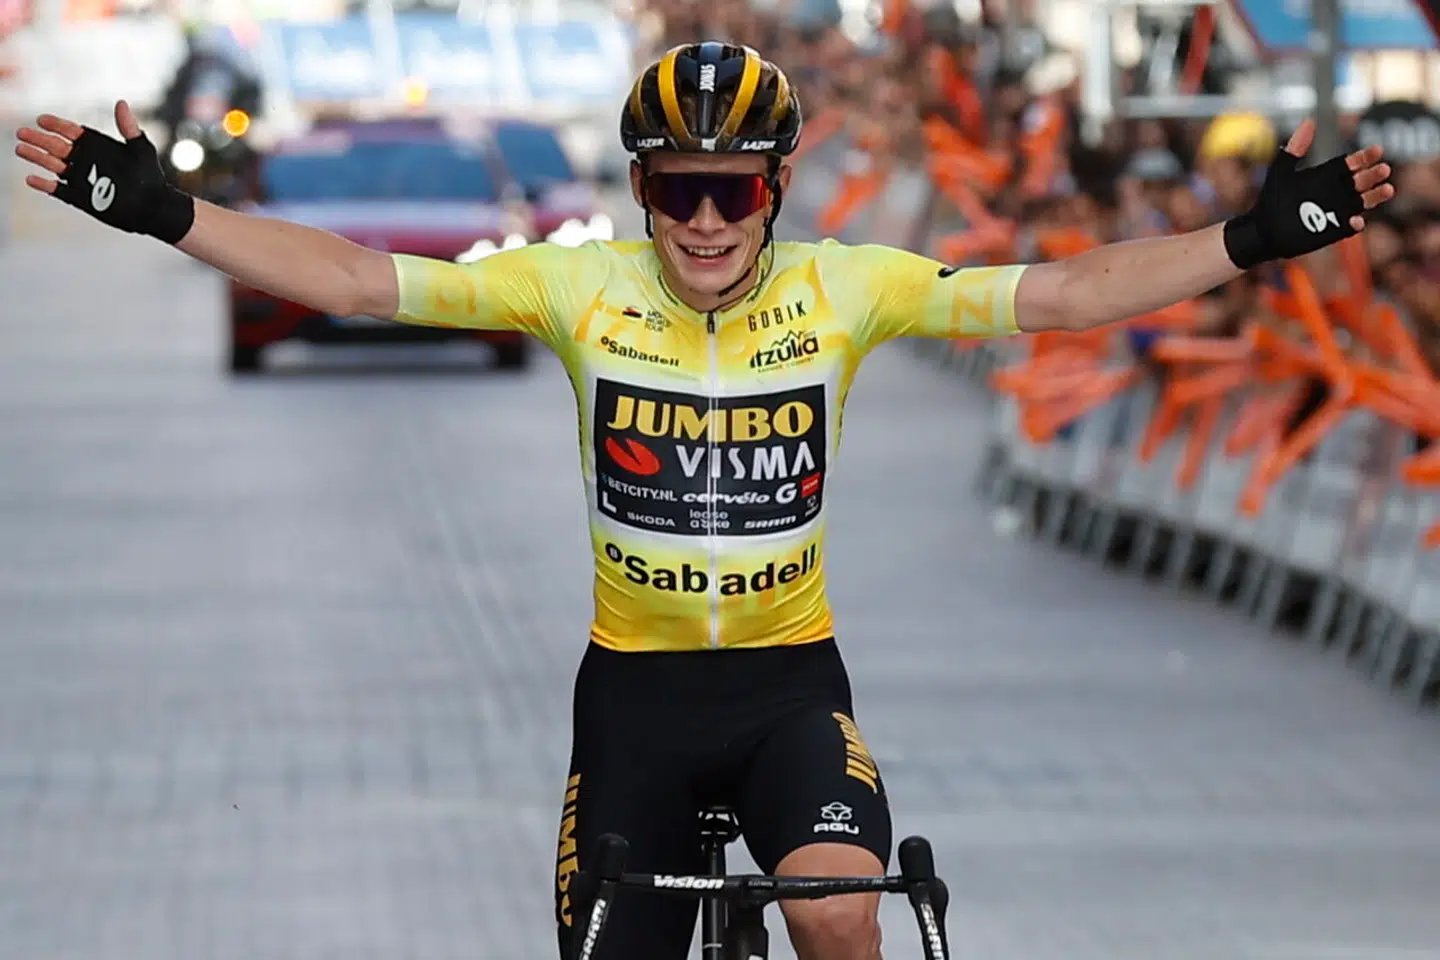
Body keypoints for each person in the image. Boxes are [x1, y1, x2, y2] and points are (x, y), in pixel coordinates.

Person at [14, 41, 1394, 960]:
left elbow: (1069, 293)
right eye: (678, 191)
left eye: (733, 188)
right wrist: (170, 215)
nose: (707, 222)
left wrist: (1259, 237)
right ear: (641, 191)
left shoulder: (847, 287)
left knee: (844, 916)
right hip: (637, 700)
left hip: (792, 687)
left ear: (780, 185)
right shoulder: (575, 285)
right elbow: (358, 279)